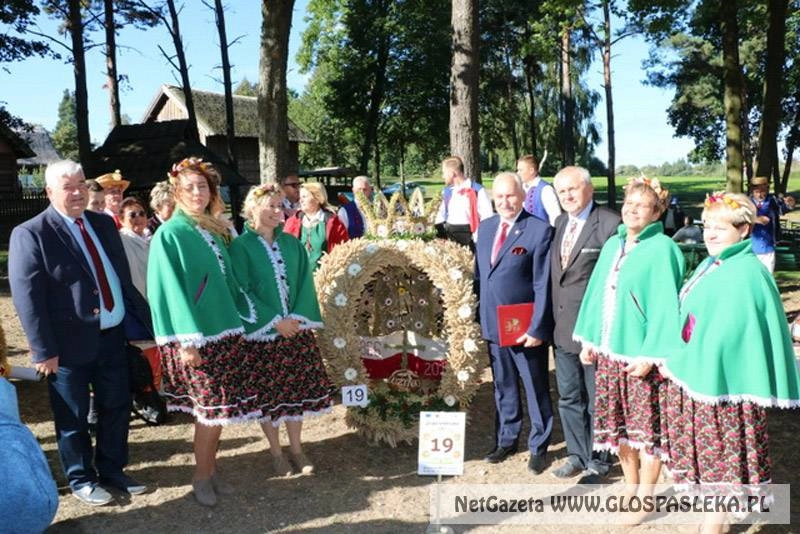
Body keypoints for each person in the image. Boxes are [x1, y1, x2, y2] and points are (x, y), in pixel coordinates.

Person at [8, 160, 153, 506]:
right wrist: (44, 350)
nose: (76, 192)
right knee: (72, 417)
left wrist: (138, 322)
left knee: (116, 407)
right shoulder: (31, 233)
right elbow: (28, 297)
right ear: (49, 192)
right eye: (67, 187)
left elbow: (120, 279)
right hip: (67, 345)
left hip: (113, 336)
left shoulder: (102, 224)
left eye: (80, 185)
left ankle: (113, 470)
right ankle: (81, 478)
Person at [661, 192, 800, 534]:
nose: (708, 234)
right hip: (701, 376)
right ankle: (712, 518)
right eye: (707, 226)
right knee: (708, 460)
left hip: (723, 387)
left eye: (719, 228)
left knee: (721, 458)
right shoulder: (716, 263)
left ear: (743, 230)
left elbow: (726, 337)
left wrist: (681, 359)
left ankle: (716, 523)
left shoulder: (744, 273)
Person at [573, 177, 684, 524]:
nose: (632, 209)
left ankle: (647, 497)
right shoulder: (613, 245)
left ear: (657, 212)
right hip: (609, 353)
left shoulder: (664, 249)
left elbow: (666, 307)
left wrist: (650, 355)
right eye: (628, 203)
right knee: (618, 429)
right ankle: (630, 486)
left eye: (642, 205)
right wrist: (589, 339)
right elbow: (595, 295)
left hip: (640, 358)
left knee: (646, 431)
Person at [147, 157, 255, 507]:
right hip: (196, 338)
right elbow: (170, 289)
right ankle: (200, 478)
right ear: (177, 191)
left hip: (222, 331)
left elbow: (230, 278)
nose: (197, 192)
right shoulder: (170, 233)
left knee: (219, 411)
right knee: (209, 413)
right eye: (190, 187)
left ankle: (209, 471)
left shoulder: (210, 229)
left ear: (212, 192)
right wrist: (188, 341)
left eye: (203, 186)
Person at [230, 184, 335, 477]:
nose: (279, 211)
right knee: (270, 398)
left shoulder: (291, 243)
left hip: (295, 332)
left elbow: (305, 282)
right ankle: (276, 452)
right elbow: (241, 290)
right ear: (253, 209)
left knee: (296, 394)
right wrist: (276, 321)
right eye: (272, 206)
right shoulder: (240, 247)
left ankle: (298, 449)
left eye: (281, 205)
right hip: (264, 335)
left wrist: (296, 319)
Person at [475, 172, 554, 474]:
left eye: (511, 195)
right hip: (494, 325)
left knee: (535, 387)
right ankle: (507, 439)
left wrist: (537, 327)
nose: (505, 202)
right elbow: (481, 277)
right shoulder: (485, 228)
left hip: (524, 329)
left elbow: (542, 284)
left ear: (522, 196)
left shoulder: (538, 230)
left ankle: (539, 445)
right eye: (500, 197)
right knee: (503, 386)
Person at [549, 166, 620, 482]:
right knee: (569, 397)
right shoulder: (560, 222)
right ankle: (577, 455)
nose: (567, 196)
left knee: (597, 399)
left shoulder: (608, 224)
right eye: (561, 191)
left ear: (589, 189)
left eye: (572, 189)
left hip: (595, 332)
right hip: (563, 329)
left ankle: (599, 459)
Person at [284, 182, 349, 270]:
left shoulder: (334, 223)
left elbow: (343, 253)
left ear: (318, 199)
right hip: (298, 278)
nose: (300, 200)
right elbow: (284, 251)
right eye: (300, 197)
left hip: (325, 278)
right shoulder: (292, 221)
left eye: (304, 197)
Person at [435, 155, 494, 249]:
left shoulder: (477, 190)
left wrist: (480, 238)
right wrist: (441, 233)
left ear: (452, 173)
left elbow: (487, 216)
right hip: (451, 237)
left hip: (471, 237)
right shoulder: (447, 192)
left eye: (444, 173)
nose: (443, 176)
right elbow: (441, 214)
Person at [119, 197, 150, 299]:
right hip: (136, 298)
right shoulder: (120, 240)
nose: (138, 218)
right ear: (121, 220)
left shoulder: (152, 240)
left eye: (142, 214)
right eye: (132, 215)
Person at [517, 154, 561, 226]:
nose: (518, 173)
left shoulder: (545, 190)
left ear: (531, 170)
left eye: (520, 170)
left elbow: (555, 217)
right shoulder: (522, 188)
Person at [749, 176, 781, 273]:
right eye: (756, 191)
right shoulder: (746, 203)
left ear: (767, 190)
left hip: (768, 247)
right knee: (753, 275)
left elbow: (782, 208)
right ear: (752, 190)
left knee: (768, 275)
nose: (759, 194)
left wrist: (789, 205)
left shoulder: (773, 201)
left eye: (762, 191)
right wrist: (755, 219)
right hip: (751, 247)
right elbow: (739, 218)